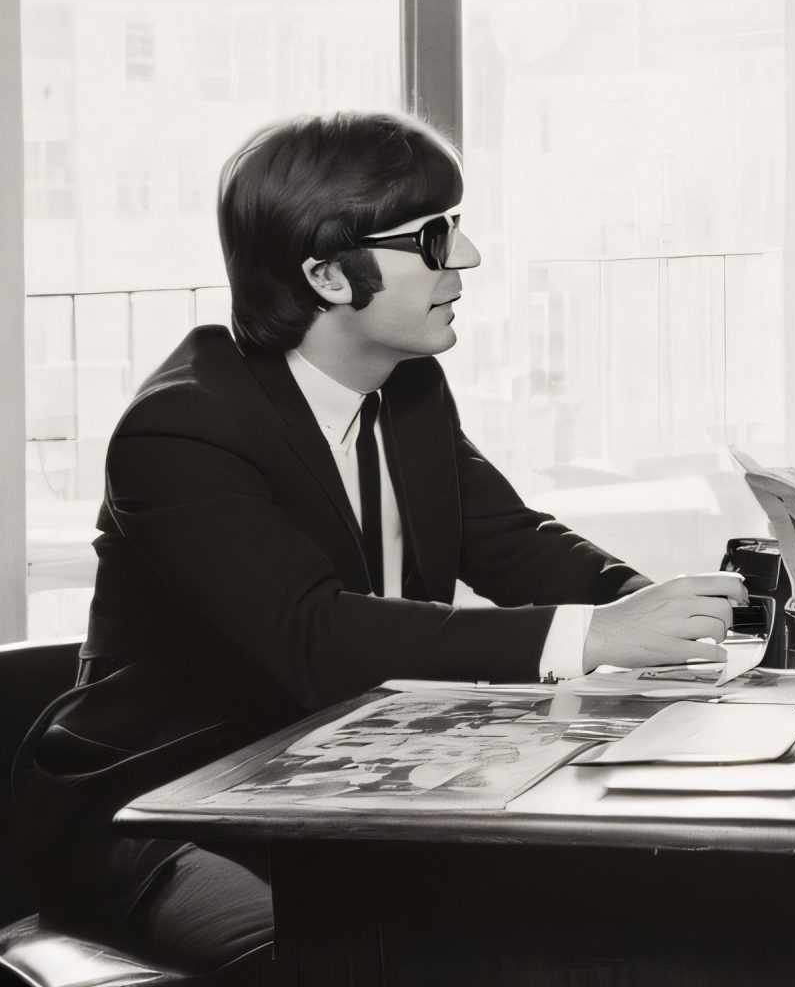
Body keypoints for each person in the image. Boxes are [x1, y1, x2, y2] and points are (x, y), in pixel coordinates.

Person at [11, 112, 745, 982]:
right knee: (346, 963)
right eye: (433, 238)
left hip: (342, 783)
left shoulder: (409, 389)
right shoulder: (182, 426)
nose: (465, 259)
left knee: (612, 915)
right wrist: (597, 636)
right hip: (160, 811)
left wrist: (664, 610)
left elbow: (510, 541)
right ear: (324, 273)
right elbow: (315, 637)